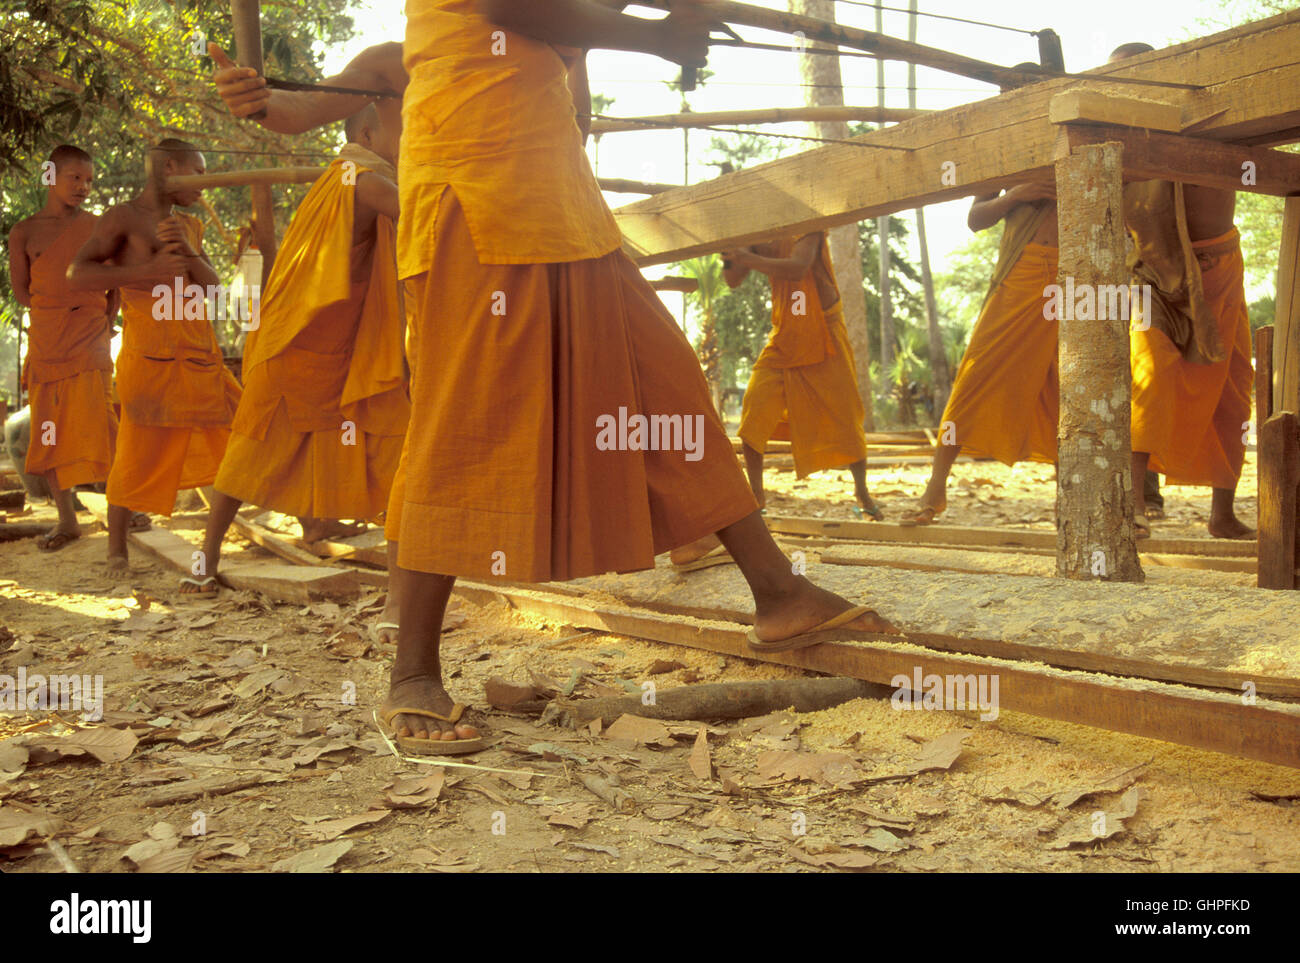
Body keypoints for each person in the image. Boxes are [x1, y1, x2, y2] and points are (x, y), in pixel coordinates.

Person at [213, 1, 895, 756]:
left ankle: (778, 592)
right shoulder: (407, 51)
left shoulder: (560, 32)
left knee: (665, 386)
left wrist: (633, 25)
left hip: (568, 216)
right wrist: (660, 34)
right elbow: (306, 104)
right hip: (476, 210)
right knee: (461, 423)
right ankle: (412, 675)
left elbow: (567, 71)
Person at [192, 106, 409, 627]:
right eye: (405, 126)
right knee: (251, 452)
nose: (415, 135)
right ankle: (207, 560)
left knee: (384, 446)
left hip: (324, 348)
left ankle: (336, 543)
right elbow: (428, 218)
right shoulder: (363, 179)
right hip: (297, 349)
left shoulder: (343, 178)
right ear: (365, 131)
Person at [68, 140, 241, 570]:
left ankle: (211, 550)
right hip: (151, 356)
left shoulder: (189, 224)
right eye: (198, 172)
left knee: (244, 441)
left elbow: (214, 291)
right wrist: (145, 272)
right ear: (169, 166)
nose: (205, 183)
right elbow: (77, 273)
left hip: (200, 355)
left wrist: (188, 248)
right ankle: (116, 552)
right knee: (135, 453)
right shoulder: (123, 218)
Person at [1111, 43, 1254, 540]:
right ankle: (1134, 503)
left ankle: (1222, 513)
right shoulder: (1108, 137)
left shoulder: (1206, 114)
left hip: (1220, 268)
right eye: (1119, 78)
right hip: (1154, 273)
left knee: (1233, 389)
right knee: (1148, 375)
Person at [901, 180, 1059, 524]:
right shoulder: (1011, 150)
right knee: (974, 379)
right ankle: (936, 487)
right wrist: (1017, 195)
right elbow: (975, 219)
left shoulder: (1098, 130)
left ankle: (1072, 499)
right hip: (1022, 273)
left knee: (1066, 387)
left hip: (1082, 278)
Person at [7, 145, 119, 551]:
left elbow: (115, 287)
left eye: (89, 180)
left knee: (102, 421)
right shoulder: (24, 232)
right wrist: (57, 308)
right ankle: (67, 519)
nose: (84, 187)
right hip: (48, 342)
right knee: (49, 429)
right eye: (75, 178)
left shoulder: (98, 227)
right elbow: (23, 292)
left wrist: (99, 323)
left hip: (89, 339)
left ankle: (126, 506)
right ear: (49, 176)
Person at [724, 232, 879, 521]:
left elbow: (798, 268)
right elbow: (733, 280)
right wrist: (729, 257)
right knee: (754, 410)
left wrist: (745, 256)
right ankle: (755, 496)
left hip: (825, 330)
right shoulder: (755, 228)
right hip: (785, 335)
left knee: (845, 416)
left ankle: (862, 493)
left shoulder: (807, 218)